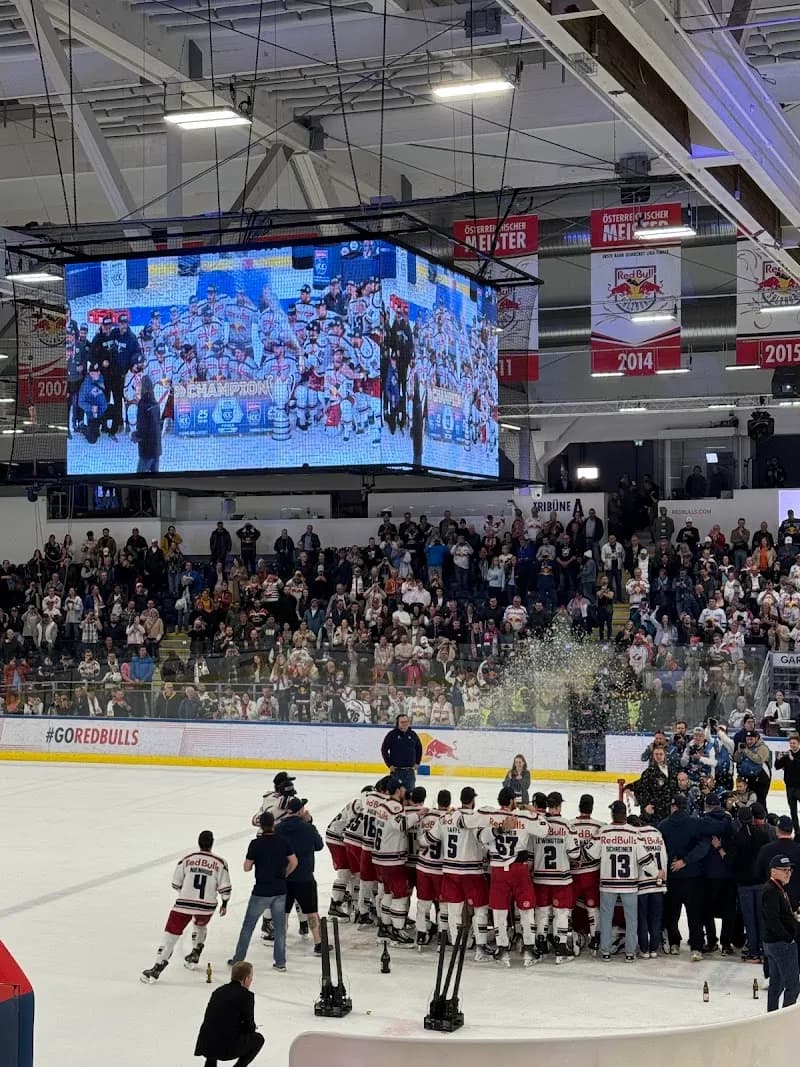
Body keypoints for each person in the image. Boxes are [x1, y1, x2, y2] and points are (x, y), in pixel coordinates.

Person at [141, 830, 231, 982]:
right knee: (200, 925)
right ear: (212, 843)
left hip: (184, 903)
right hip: (207, 906)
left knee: (170, 935)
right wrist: (225, 903)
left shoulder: (187, 859)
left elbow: (175, 883)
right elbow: (225, 887)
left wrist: (185, 893)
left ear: (198, 842)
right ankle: (195, 952)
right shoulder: (220, 863)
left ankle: (157, 967)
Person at [228, 812, 297, 972]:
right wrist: (285, 873)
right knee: (280, 928)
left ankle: (238, 959)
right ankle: (280, 962)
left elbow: (246, 867)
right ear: (274, 824)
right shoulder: (283, 842)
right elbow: (294, 861)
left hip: (261, 891)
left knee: (248, 927)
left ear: (260, 826)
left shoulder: (255, 844)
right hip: (280, 890)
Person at [588, 800, 646, 961]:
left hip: (607, 883)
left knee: (606, 918)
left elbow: (591, 854)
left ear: (612, 814)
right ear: (625, 815)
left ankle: (605, 951)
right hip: (629, 884)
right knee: (631, 919)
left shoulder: (603, 832)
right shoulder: (635, 833)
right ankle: (629, 952)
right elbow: (645, 859)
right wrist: (657, 873)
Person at [659, 795, 709, 960]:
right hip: (693, 876)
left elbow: (660, 851)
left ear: (673, 807)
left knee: (672, 912)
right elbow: (703, 847)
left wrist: (673, 862)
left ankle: (674, 942)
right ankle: (696, 946)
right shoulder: (696, 823)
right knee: (695, 913)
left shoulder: (664, 825)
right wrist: (686, 861)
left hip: (672, 876)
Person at [276, 796, 324, 953]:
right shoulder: (307, 828)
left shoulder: (279, 828)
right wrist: (310, 823)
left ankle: (281, 943)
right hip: (304, 877)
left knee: (283, 912)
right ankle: (318, 943)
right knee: (311, 911)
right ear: (301, 811)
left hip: (285, 877)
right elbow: (319, 845)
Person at [194, 960, 264, 1067]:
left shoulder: (218, 991)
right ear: (245, 980)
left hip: (206, 1044)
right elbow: (249, 1027)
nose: (251, 980)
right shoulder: (246, 996)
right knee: (258, 1039)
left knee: (215, 1030)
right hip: (226, 1048)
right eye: (250, 977)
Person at [761, 856, 800, 1012]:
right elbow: (772, 920)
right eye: (784, 870)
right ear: (773, 871)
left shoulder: (777, 888)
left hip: (774, 943)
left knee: (776, 985)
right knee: (793, 986)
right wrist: (788, 938)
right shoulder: (771, 891)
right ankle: (783, 1020)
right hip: (780, 945)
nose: (788, 873)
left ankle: (772, 1016)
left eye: (789, 870)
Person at [380, 713, 423, 794]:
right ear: (398, 723)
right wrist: (389, 764)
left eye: (406, 722)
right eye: (402, 722)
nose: (405, 724)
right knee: (394, 795)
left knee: (409, 795)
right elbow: (384, 749)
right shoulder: (392, 735)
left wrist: (417, 762)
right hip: (396, 771)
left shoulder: (413, 734)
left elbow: (419, 748)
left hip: (410, 772)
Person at [133, 375, 162, 474]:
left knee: (139, 479)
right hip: (156, 449)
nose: (137, 386)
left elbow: (143, 430)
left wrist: (134, 436)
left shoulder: (143, 405)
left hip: (147, 451)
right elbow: (157, 426)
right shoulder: (155, 403)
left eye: (139, 384)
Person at [775, 735, 800, 838]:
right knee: (793, 812)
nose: (792, 745)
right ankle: (798, 833)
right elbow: (777, 767)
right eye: (790, 743)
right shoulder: (787, 755)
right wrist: (778, 759)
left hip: (799, 787)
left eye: (794, 743)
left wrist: (793, 759)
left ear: (798, 743)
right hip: (789, 788)